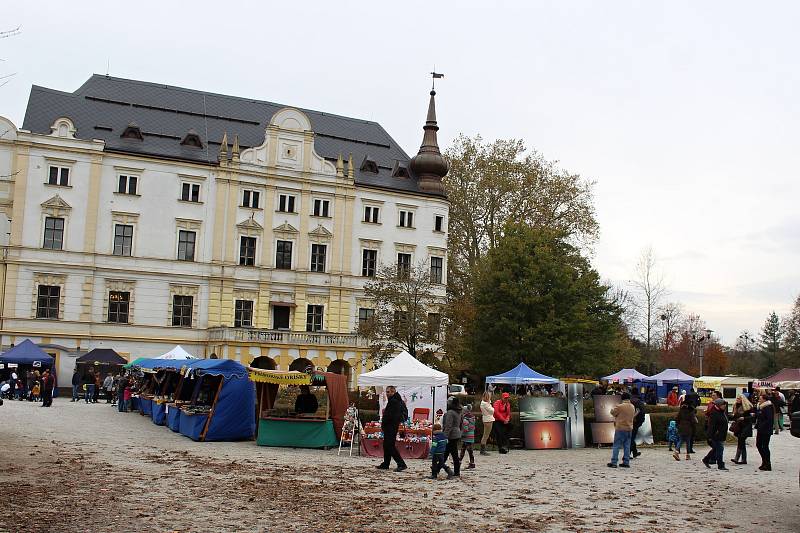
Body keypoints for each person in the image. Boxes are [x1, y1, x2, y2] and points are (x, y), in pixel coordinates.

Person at [376, 385, 407, 472]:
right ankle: (386, 463)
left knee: (390, 445)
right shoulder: (395, 400)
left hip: (391, 426)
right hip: (390, 426)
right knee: (386, 445)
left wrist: (385, 423)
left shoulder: (394, 401)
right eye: (386, 392)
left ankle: (401, 463)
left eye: (389, 392)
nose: (387, 393)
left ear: (393, 392)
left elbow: (390, 415)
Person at [607, 392, 636, 468]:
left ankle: (614, 462)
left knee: (616, 445)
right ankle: (626, 462)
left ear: (622, 398)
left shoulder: (620, 406)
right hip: (629, 428)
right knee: (627, 446)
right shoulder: (632, 406)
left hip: (620, 428)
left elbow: (612, 412)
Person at [702, 398, 728, 470]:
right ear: (719, 405)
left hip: (721, 434)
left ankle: (706, 459)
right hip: (716, 435)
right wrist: (710, 436)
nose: (725, 406)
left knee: (716, 449)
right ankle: (720, 465)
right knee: (720, 449)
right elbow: (712, 426)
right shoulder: (715, 413)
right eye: (723, 405)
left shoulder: (721, 412)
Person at [731, 394, 754, 465]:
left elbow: (752, 417)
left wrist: (744, 418)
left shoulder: (747, 407)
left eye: (739, 399)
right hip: (739, 427)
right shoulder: (735, 406)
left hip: (745, 426)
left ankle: (737, 458)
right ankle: (744, 459)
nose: (737, 400)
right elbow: (735, 416)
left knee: (741, 441)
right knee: (742, 443)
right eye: (737, 398)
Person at [442, 397, 463, 477]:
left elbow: (448, 426)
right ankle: (436, 469)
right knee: (446, 453)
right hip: (456, 433)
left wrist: (445, 436)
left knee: (452, 454)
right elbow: (460, 424)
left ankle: (456, 472)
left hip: (451, 435)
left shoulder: (450, 412)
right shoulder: (459, 411)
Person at [755, 392, 774, 471]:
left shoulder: (768, 407)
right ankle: (764, 461)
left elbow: (769, 419)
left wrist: (761, 425)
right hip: (760, 429)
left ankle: (767, 463)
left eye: (760, 399)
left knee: (765, 446)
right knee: (759, 445)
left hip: (766, 430)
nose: (759, 400)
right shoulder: (761, 407)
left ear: (764, 399)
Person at [629, 389, 646, 458]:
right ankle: (631, 453)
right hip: (637, 422)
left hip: (629, 421)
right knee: (632, 437)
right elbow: (642, 412)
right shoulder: (639, 402)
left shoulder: (630, 401)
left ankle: (632, 453)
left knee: (631, 437)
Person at [459, 403, 476, 470]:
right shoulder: (472, 418)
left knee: (465, 450)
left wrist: (461, 434)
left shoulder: (465, 420)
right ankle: (471, 462)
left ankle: (460, 461)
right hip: (471, 436)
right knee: (469, 450)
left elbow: (465, 429)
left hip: (466, 437)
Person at [479, 391, 494, 456]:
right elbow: (492, 411)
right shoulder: (485, 404)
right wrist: (492, 407)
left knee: (485, 435)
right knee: (486, 435)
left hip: (487, 419)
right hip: (488, 420)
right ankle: (482, 450)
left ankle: (482, 450)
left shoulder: (484, 403)